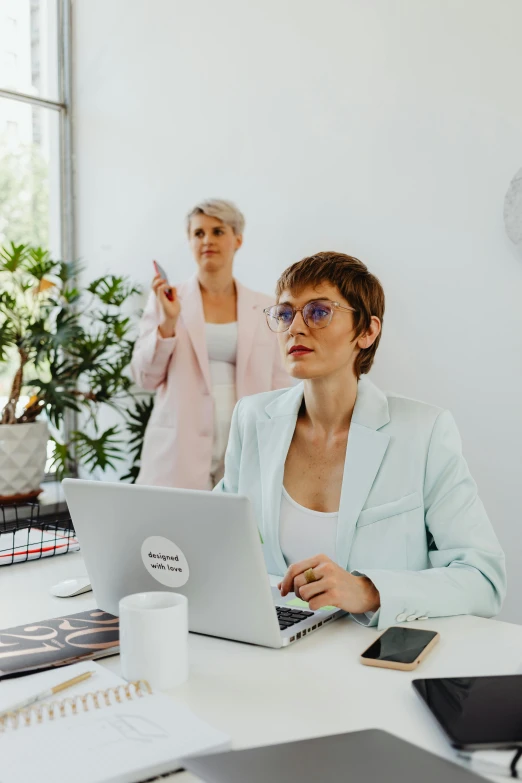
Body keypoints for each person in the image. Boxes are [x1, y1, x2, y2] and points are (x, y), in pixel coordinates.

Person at [215, 251, 506, 629]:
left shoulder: (424, 431)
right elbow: (219, 541)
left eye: (318, 311)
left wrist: (369, 590)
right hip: (271, 645)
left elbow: (483, 578)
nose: (295, 328)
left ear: (367, 331)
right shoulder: (252, 419)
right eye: (286, 313)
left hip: (373, 658)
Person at [131, 199, 289, 490]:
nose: (207, 241)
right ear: (189, 241)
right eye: (199, 233)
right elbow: (145, 377)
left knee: (238, 531)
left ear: (237, 239)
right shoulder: (167, 300)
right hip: (180, 448)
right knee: (176, 531)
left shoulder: (266, 307)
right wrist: (168, 322)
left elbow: (282, 383)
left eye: (218, 231)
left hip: (248, 444)